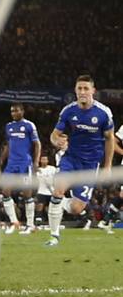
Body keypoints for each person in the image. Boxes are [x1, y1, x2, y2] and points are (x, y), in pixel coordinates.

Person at [45, 75, 115, 247]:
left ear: (93, 91)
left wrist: (107, 167)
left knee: (77, 208)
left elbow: (110, 139)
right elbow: (54, 135)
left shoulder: (103, 113)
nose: (82, 92)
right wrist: (57, 141)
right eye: (79, 89)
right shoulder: (68, 111)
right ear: (75, 91)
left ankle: (59, 205)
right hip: (70, 159)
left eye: (86, 88)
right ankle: (54, 236)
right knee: (58, 190)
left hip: (90, 166)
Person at [0, 103, 41, 235]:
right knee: (5, 192)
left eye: (16, 111)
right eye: (12, 112)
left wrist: (36, 161)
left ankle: (30, 225)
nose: (14, 113)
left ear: (22, 111)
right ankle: (14, 222)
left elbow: (37, 144)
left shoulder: (29, 125)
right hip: (11, 164)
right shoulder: (8, 127)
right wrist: (0, 161)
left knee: (27, 194)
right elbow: (8, 145)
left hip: (24, 164)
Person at [34, 154, 58, 226]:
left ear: (48, 161)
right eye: (42, 159)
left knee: (50, 207)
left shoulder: (52, 169)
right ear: (40, 161)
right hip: (41, 191)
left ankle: (51, 220)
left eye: (45, 159)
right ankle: (38, 219)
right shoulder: (38, 170)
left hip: (52, 191)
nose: (44, 161)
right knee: (40, 205)